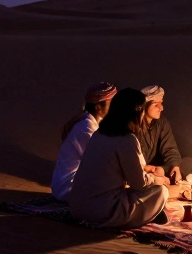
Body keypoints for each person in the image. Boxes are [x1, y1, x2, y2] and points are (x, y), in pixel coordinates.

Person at [69, 88, 171, 228]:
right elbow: (138, 183)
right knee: (161, 191)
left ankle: (150, 212)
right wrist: (157, 180)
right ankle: (148, 213)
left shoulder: (98, 134)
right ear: (138, 112)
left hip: (77, 208)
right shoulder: (126, 139)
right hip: (102, 212)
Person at [50, 82, 118, 201]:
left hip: (77, 185)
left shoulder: (93, 125)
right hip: (68, 189)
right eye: (112, 102)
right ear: (98, 106)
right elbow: (103, 162)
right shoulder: (86, 128)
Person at [136, 85, 182, 183]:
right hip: (137, 172)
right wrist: (150, 172)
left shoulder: (161, 122)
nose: (161, 108)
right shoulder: (133, 125)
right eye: (155, 104)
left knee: (188, 162)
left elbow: (170, 148)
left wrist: (174, 165)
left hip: (154, 170)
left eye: (161, 103)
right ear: (144, 106)